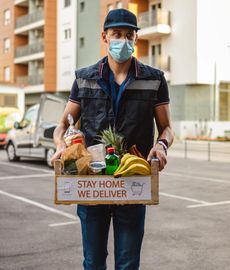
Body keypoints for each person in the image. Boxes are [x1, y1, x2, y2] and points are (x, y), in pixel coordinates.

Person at [51, 8, 174, 270]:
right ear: (104, 37)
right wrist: (61, 145)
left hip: (132, 181)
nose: (123, 40)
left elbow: (167, 128)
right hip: (92, 182)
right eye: (117, 34)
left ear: (136, 39)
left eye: (129, 35)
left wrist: (161, 146)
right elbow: (62, 125)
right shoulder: (84, 79)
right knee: (93, 262)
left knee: (128, 264)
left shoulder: (154, 80)